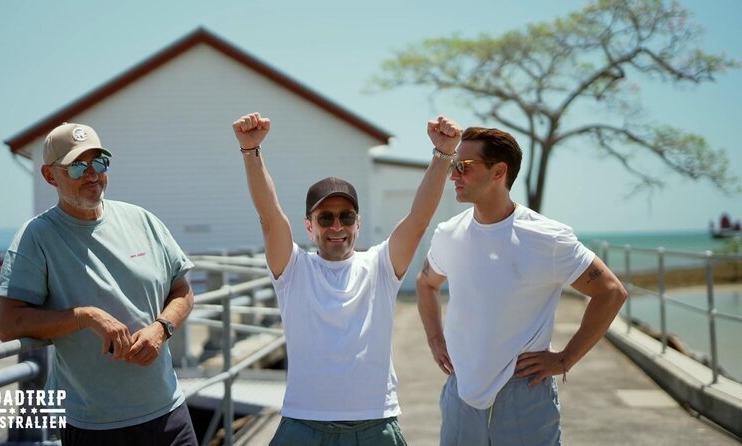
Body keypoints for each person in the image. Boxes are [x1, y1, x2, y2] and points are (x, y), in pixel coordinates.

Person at [232, 112, 462, 445]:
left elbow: (418, 220)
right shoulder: (293, 269)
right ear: (309, 226)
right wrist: (250, 152)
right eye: (325, 217)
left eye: (346, 217)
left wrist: (443, 155)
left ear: (358, 224)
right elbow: (270, 217)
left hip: (374, 425)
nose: (337, 226)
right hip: (303, 424)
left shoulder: (381, 265)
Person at [415, 126, 628, 445]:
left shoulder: (547, 238)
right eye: (452, 165)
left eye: (463, 166)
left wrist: (565, 359)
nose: (453, 175)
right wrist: (435, 338)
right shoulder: (449, 233)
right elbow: (426, 282)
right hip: (461, 394)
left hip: (524, 395)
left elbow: (610, 292)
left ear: (499, 171)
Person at [0, 122, 198, 446]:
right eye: (77, 166)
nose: (92, 174)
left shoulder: (142, 220)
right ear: (50, 176)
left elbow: (183, 291)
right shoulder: (36, 237)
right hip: (94, 426)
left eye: (99, 162)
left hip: (168, 412)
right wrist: (84, 316)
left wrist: (161, 329)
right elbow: (9, 323)